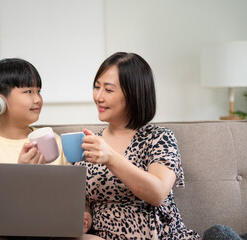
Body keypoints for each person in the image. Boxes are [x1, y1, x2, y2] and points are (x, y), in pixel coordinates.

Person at [0, 58, 102, 240]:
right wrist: (21, 174)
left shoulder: (54, 140)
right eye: (28, 91)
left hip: (54, 234)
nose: (37, 99)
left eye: (38, 91)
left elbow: (73, 196)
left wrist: (84, 213)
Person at [75, 52, 200, 239]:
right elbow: (84, 199)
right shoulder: (90, 142)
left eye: (108, 90)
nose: (98, 97)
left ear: (134, 94)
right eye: (96, 87)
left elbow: (157, 193)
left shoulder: (159, 138)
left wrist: (110, 157)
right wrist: (85, 215)